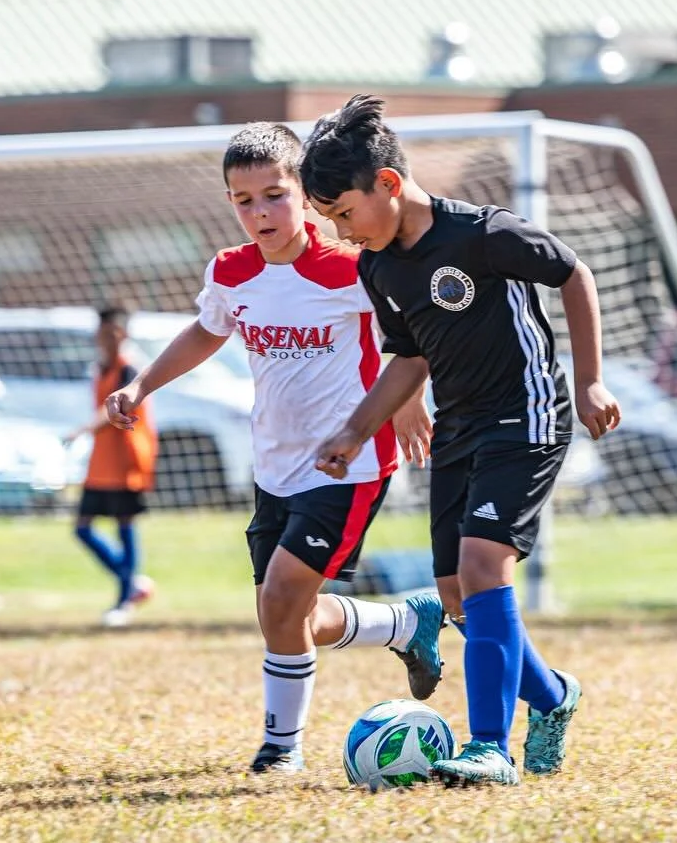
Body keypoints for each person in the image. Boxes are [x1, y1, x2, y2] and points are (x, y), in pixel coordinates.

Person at [105, 122, 446, 775]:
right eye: (243, 200)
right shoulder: (231, 272)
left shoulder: (352, 268)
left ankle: (279, 749)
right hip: (275, 464)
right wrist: (143, 383)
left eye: (274, 195)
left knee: (283, 597)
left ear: (305, 193)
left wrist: (408, 407)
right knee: (288, 617)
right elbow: (208, 333)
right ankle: (404, 624)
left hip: (350, 461)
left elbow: (407, 341)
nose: (260, 212)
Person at [304, 95, 622, 786]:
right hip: (459, 426)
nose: (341, 232)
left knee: (483, 569)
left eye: (343, 214)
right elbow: (412, 358)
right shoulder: (378, 266)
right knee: (456, 597)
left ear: (386, 185)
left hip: (527, 415)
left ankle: (489, 748)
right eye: (328, 221)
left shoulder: (479, 234)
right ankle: (554, 697)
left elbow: (574, 274)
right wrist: (356, 430)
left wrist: (592, 380)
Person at [65, 305, 157, 628]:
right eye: (104, 332)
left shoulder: (130, 370)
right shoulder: (99, 368)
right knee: (82, 527)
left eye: (115, 331)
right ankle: (130, 582)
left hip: (127, 460)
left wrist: (84, 429)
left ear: (124, 334)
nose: (109, 338)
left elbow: (118, 410)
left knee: (124, 524)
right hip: (101, 463)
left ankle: (123, 600)